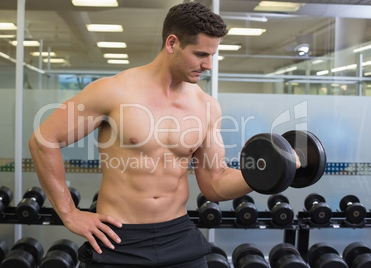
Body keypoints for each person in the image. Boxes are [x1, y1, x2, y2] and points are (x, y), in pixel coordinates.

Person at [29, 2, 299, 267]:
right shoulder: (113, 91)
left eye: (212, 56)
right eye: (201, 54)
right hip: (119, 237)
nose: (209, 66)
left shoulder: (206, 106)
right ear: (172, 43)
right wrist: (70, 213)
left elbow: (215, 184)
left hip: (178, 234)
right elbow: (44, 140)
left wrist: (270, 171)